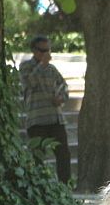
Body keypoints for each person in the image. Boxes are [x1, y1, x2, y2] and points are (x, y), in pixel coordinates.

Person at [19, 35, 71, 183]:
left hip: (55, 118)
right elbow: (29, 84)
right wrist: (41, 65)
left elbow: (64, 86)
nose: (46, 53)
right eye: (43, 50)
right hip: (36, 119)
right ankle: (39, 186)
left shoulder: (52, 69)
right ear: (34, 50)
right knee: (38, 156)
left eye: (48, 50)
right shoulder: (26, 66)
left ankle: (65, 185)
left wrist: (62, 98)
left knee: (63, 154)